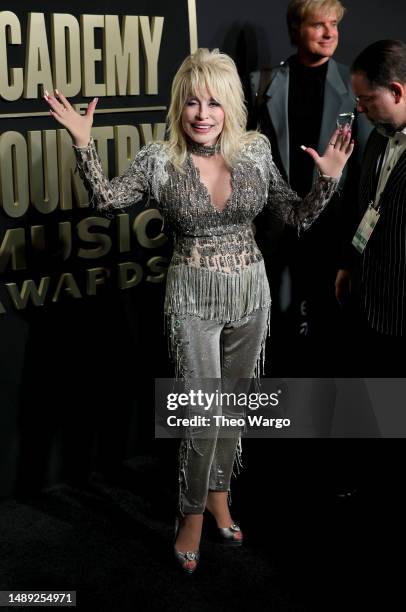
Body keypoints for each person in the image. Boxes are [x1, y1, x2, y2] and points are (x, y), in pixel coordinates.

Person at [44, 48, 353, 574]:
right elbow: (106, 201)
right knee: (203, 412)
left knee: (234, 406)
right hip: (192, 296)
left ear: (230, 104)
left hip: (251, 295)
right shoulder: (158, 160)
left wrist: (328, 179)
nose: (203, 113)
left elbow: (296, 217)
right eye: (192, 102)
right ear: (178, 108)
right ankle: (189, 514)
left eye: (214, 101)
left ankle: (219, 495)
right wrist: (81, 143)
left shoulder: (255, 151)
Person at [250, 0, 371, 375]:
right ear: (294, 29)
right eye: (318, 24)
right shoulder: (261, 83)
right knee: (272, 331)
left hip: (331, 230)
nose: (330, 32)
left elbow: (363, 170)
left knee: (325, 332)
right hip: (276, 227)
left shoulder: (354, 87)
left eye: (334, 24)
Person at [336, 39, 406, 376]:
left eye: (366, 99)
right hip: (367, 302)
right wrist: (351, 262)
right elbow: (365, 205)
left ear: (396, 91)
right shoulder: (378, 134)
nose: (359, 109)